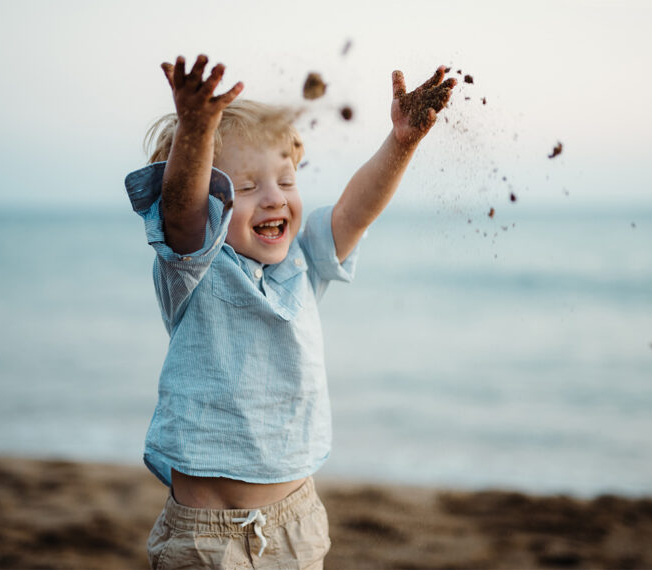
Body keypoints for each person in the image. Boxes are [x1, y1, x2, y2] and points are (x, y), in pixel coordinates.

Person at [125, 53, 454, 569]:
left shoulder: (302, 262)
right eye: (249, 187)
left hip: (295, 521)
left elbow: (353, 211)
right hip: (207, 537)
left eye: (287, 180)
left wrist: (401, 141)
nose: (276, 198)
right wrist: (195, 129)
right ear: (213, 204)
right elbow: (183, 210)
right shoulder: (193, 266)